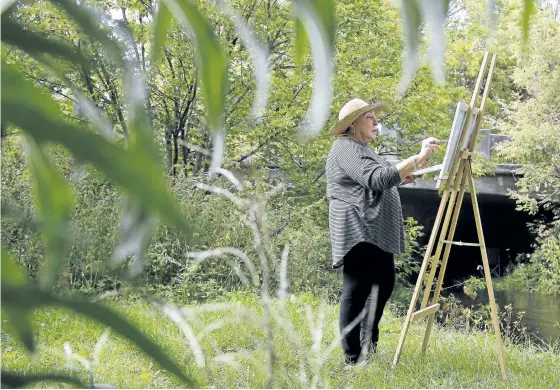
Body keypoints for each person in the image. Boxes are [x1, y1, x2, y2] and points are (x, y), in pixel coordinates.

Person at [326, 98, 440, 366]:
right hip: (357, 226)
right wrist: (418, 158)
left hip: (373, 229)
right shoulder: (345, 147)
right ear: (352, 124)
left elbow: (382, 175)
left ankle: (368, 344)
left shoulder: (363, 149)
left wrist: (401, 174)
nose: (377, 122)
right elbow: (377, 179)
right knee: (357, 289)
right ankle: (353, 358)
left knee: (384, 283)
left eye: (376, 117)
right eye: (370, 118)